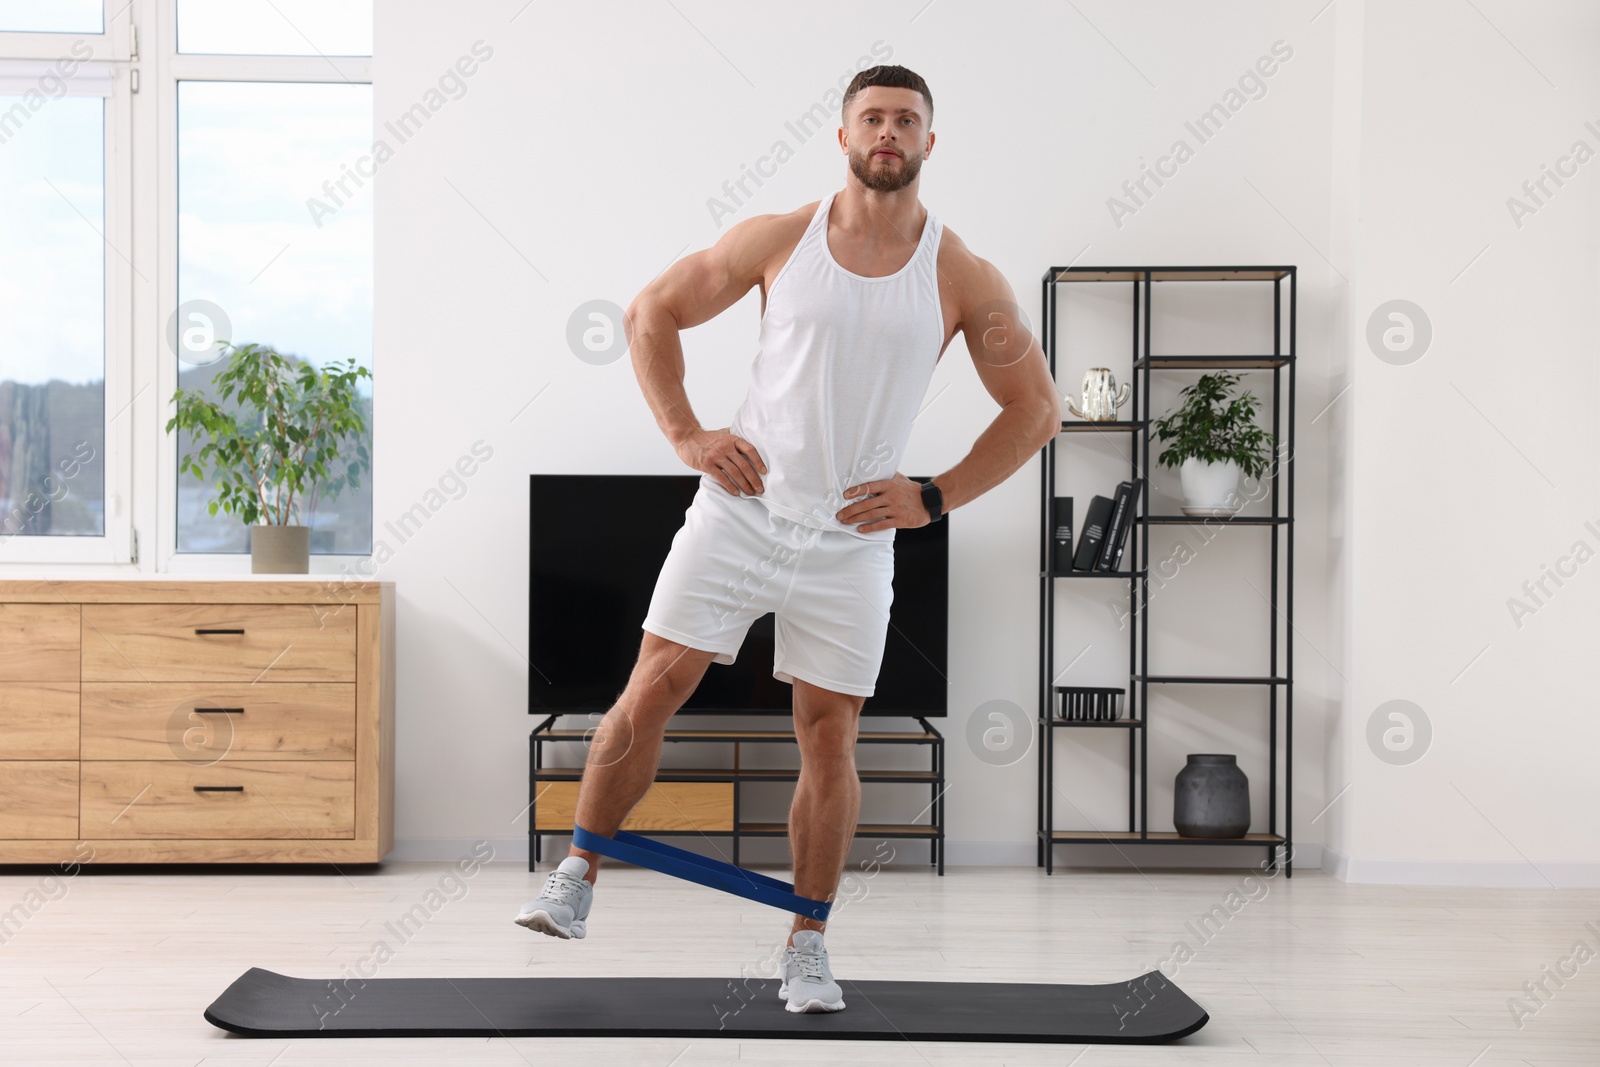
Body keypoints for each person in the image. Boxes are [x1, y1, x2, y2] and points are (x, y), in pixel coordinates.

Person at [515, 64, 1061, 1014]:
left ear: (931, 143)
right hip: (744, 510)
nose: (888, 132)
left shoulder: (961, 274)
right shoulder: (781, 238)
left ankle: (807, 944)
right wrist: (687, 434)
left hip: (853, 539)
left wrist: (933, 496)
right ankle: (576, 877)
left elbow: (1037, 410)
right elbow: (651, 313)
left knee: (828, 734)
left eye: (906, 120)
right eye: (872, 118)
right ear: (843, 137)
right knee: (655, 684)